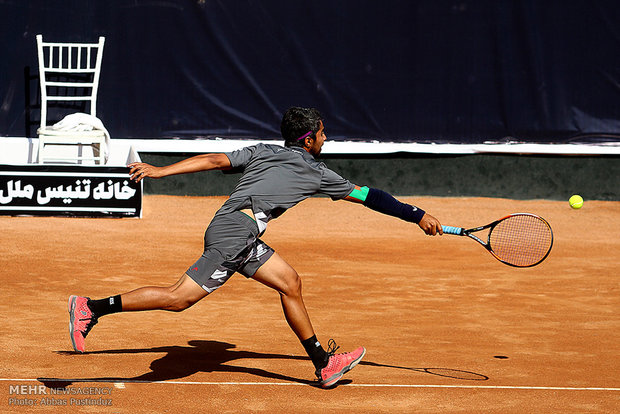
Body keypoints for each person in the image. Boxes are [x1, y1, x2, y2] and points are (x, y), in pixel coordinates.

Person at [68, 107, 443, 388]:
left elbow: (216, 160)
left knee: (290, 282)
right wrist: (417, 215)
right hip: (235, 233)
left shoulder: (263, 150)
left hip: (238, 230)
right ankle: (92, 308)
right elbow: (370, 196)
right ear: (309, 140)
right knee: (178, 298)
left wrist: (161, 170)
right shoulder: (317, 172)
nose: (326, 139)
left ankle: (323, 363)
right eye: (323, 134)